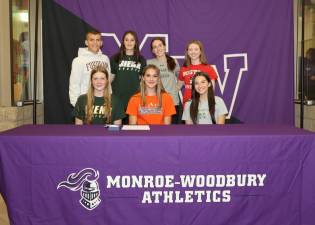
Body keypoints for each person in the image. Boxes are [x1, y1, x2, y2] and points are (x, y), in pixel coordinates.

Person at [110, 31, 146, 120]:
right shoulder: (115, 58)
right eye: (126, 40)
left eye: (132, 40)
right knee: (117, 130)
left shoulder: (141, 59)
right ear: (123, 42)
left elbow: (142, 80)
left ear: (136, 42)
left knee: (133, 130)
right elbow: (110, 78)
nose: (129, 42)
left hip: (135, 99)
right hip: (118, 99)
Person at [69, 30, 111, 107]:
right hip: (86, 103)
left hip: (104, 103)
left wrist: (110, 99)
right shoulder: (78, 61)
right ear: (86, 42)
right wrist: (77, 105)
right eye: (91, 40)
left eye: (97, 40)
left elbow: (108, 83)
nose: (95, 43)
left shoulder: (105, 59)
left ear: (101, 43)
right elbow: (74, 84)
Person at [147, 37, 181, 124]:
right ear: (152, 51)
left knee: (172, 132)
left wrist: (176, 88)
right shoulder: (149, 63)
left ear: (165, 47)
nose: (158, 49)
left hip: (173, 101)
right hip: (156, 102)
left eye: (160, 45)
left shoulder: (173, 61)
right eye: (155, 47)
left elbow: (181, 77)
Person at [178, 40, 218, 105]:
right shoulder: (183, 69)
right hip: (187, 104)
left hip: (203, 105)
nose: (193, 52)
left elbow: (211, 91)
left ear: (200, 51)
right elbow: (177, 87)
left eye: (196, 49)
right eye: (190, 49)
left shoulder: (209, 68)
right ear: (187, 52)